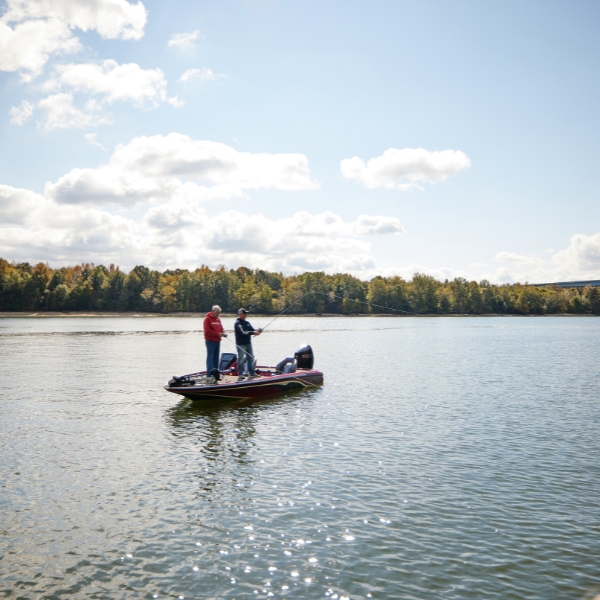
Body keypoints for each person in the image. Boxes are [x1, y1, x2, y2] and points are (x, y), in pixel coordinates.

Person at [234, 308, 262, 381]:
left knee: (251, 357)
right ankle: (240, 374)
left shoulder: (247, 322)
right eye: (245, 313)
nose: (246, 314)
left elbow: (252, 330)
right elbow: (243, 332)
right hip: (241, 344)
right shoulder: (237, 323)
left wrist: (258, 331)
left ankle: (251, 372)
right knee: (240, 360)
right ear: (240, 314)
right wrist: (253, 333)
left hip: (248, 343)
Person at [203, 305, 227, 375]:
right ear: (212, 312)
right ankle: (209, 374)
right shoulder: (207, 319)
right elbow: (207, 331)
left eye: (219, 312)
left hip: (217, 341)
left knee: (216, 358)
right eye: (217, 312)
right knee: (210, 358)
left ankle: (215, 374)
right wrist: (217, 334)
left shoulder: (218, 319)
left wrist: (223, 333)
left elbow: (221, 328)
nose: (218, 314)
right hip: (210, 341)